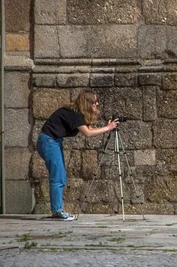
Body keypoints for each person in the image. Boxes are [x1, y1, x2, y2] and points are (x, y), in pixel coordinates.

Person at [37, 90, 118, 221]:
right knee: (58, 176)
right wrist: (109, 128)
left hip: (53, 141)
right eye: (94, 102)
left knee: (60, 176)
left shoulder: (76, 113)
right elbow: (88, 133)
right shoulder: (74, 114)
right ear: (87, 103)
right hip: (49, 141)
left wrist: (108, 126)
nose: (97, 104)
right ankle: (57, 212)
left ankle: (57, 211)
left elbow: (90, 129)